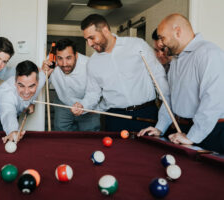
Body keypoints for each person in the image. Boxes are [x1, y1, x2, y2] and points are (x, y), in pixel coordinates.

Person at [138, 13, 224, 153]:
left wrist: (193, 136)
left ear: (177, 32)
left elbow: (213, 101)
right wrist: (160, 128)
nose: (160, 43)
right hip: (183, 130)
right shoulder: (176, 59)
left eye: (162, 37)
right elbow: (170, 99)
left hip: (211, 131)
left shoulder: (209, 53)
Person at [71, 14, 170, 132]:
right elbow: (93, 94)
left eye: (92, 38)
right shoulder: (92, 63)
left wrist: (167, 108)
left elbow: (158, 77)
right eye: (86, 39)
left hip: (146, 113)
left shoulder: (137, 45)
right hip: (115, 118)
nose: (90, 44)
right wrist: (83, 106)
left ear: (105, 31)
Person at [42, 38, 100, 131]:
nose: (64, 64)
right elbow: (40, 84)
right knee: (61, 137)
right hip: (63, 103)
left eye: (68, 58)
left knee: (90, 137)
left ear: (76, 55)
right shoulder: (50, 61)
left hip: (87, 104)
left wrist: (83, 105)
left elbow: (94, 93)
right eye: (60, 58)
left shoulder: (90, 65)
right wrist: (43, 74)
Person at [0, 60, 46, 143]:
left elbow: (37, 88)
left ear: (37, 82)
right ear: (15, 82)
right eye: (21, 86)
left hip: (14, 112)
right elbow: (8, 113)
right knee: (5, 144)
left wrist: (31, 103)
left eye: (31, 86)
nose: (26, 92)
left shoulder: (41, 79)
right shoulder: (7, 94)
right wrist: (13, 130)